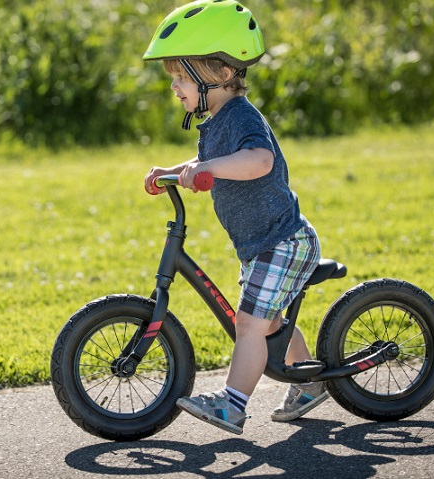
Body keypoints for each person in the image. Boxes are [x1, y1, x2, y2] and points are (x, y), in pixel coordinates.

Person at [142, 0, 328, 435]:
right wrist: (173, 171)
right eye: (173, 78)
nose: (175, 87)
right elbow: (214, 159)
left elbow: (259, 160)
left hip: (282, 239)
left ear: (222, 74)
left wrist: (208, 169)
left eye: (183, 76)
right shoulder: (215, 119)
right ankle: (309, 382)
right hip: (260, 242)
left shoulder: (242, 115)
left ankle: (233, 405)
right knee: (269, 320)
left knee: (249, 323)